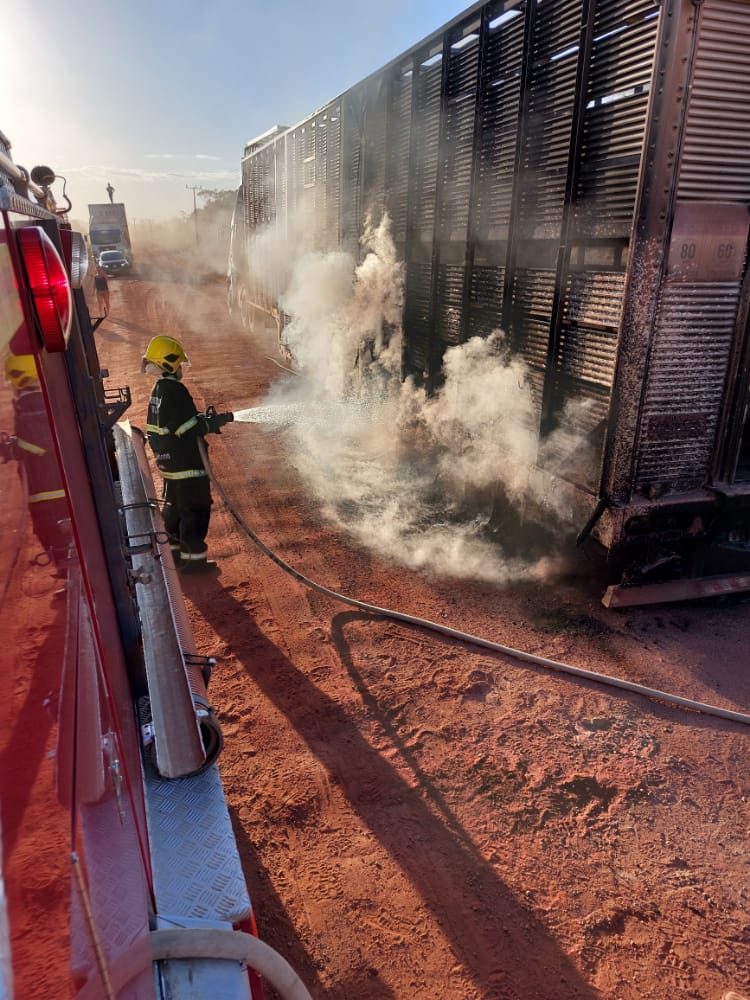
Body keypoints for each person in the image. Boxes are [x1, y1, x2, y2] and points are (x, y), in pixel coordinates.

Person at [142, 336, 233, 574]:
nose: (181, 368)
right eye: (179, 364)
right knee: (195, 509)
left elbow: (178, 422)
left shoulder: (159, 390)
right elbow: (186, 428)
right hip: (187, 465)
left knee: (174, 509)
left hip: (170, 465)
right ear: (170, 363)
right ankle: (194, 562)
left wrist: (204, 419)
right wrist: (209, 425)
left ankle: (172, 555)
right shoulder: (174, 390)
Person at [1, 353, 71, 573]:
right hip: (54, 486)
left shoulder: (30, 403)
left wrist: (11, 448)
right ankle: (68, 570)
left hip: (48, 491)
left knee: (53, 533)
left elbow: (39, 442)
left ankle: (70, 572)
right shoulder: (42, 398)